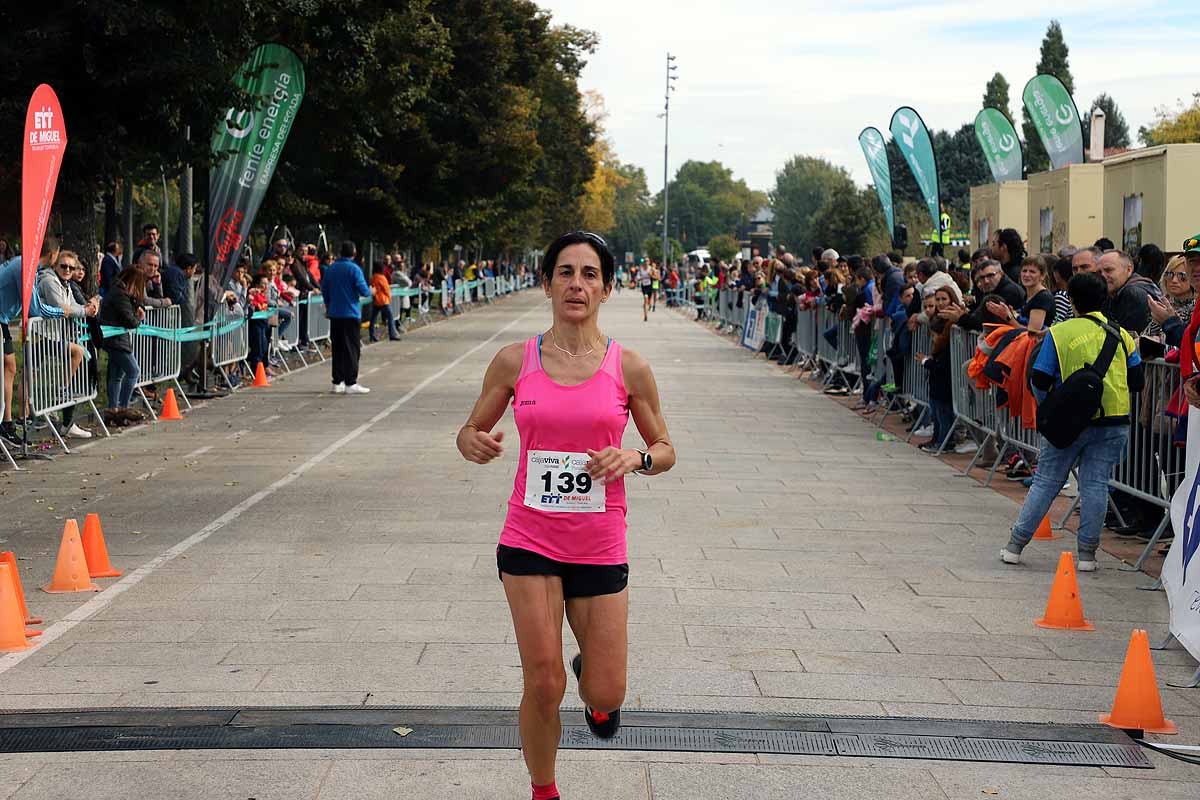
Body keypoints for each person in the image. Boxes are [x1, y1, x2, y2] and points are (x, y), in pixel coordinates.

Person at [456, 231, 675, 800]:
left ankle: (591, 680)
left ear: (605, 287)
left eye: (588, 274)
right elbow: (470, 428)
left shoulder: (630, 367)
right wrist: (471, 441)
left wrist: (635, 457)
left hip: (599, 540)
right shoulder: (514, 361)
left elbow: (666, 449)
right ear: (547, 283)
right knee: (543, 679)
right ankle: (543, 790)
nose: (576, 283)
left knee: (606, 693)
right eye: (565, 272)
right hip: (528, 537)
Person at [1001, 273, 1144, 571]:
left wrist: (1050, 406)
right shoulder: (1122, 335)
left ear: (1072, 300)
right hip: (1114, 420)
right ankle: (1088, 556)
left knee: (1046, 482)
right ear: (1104, 299)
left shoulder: (1060, 333)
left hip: (1068, 422)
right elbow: (1138, 380)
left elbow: (1039, 377)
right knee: (1096, 484)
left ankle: (1015, 546)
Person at [35, 250, 99, 439]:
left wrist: (87, 309)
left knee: (32, 375)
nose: (68, 270)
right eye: (64, 266)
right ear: (55, 265)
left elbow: (72, 306)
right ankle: (56, 397)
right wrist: (85, 310)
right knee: (30, 376)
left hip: (55, 335)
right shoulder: (49, 281)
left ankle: (65, 418)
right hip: (42, 335)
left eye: (72, 268)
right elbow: (63, 308)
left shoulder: (67, 285)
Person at [98, 266, 147, 427]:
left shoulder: (117, 291)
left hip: (113, 339)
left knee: (116, 375)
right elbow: (130, 320)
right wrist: (138, 318)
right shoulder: (120, 295)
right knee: (133, 371)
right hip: (117, 340)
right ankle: (124, 408)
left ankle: (113, 409)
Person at [322, 241, 371, 394]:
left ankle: (337, 381)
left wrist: (329, 304)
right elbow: (364, 291)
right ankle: (351, 382)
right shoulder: (354, 269)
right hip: (350, 313)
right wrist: (371, 292)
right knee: (352, 348)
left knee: (337, 348)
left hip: (335, 313)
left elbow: (325, 289)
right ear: (354, 253)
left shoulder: (331, 269)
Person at [987, 255, 1055, 333]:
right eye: (1024, 271)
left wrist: (1008, 317)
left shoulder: (1043, 297)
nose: (1026, 275)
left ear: (1042, 276)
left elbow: (1032, 333)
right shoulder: (1028, 295)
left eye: (1032, 272)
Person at [1100, 250, 1160, 335]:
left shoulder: (1132, 294)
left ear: (1129, 269)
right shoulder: (1115, 291)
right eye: (1099, 272)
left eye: (1108, 270)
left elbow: (1129, 338)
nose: (1102, 275)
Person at [368, 261, 401, 342]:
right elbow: (386, 289)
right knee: (390, 317)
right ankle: (392, 334)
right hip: (384, 300)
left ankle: (372, 335)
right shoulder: (382, 277)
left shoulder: (373, 277)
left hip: (376, 300)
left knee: (373, 319)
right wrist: (389, 298)